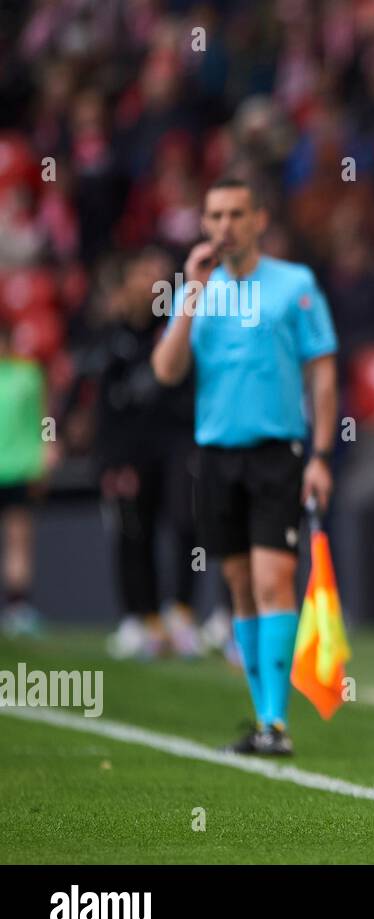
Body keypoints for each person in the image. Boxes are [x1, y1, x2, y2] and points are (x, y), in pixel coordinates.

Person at [152, 175, 338, 756]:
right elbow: (166, 370)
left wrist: (322, 454)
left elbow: (324, 371)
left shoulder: (294, 284)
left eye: (236, 214)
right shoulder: (198, 291)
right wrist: (189, 296)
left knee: (272, 578)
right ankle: (263, 718)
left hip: (277, 454)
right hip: (215, 456)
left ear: (259, 219)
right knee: (238, 586)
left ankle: (277, 722)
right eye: (214, 216)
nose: (224, 226)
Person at [67, 247, 203, 659]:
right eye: (146, 273)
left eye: (162, 275)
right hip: (127, 452)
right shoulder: (109, 338)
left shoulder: (178, 331)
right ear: (127, 282)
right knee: (131, 532)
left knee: (185, 522)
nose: (154, 282)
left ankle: (180, 611)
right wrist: (106, 459)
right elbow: (92, 399)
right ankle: (139, 617)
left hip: (178, 444)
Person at [0, 322, 55, 638]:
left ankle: (17, 608)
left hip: (20, 468)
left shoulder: (29, 375)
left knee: (18, 541)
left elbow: (46, 417)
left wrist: (47, 449)